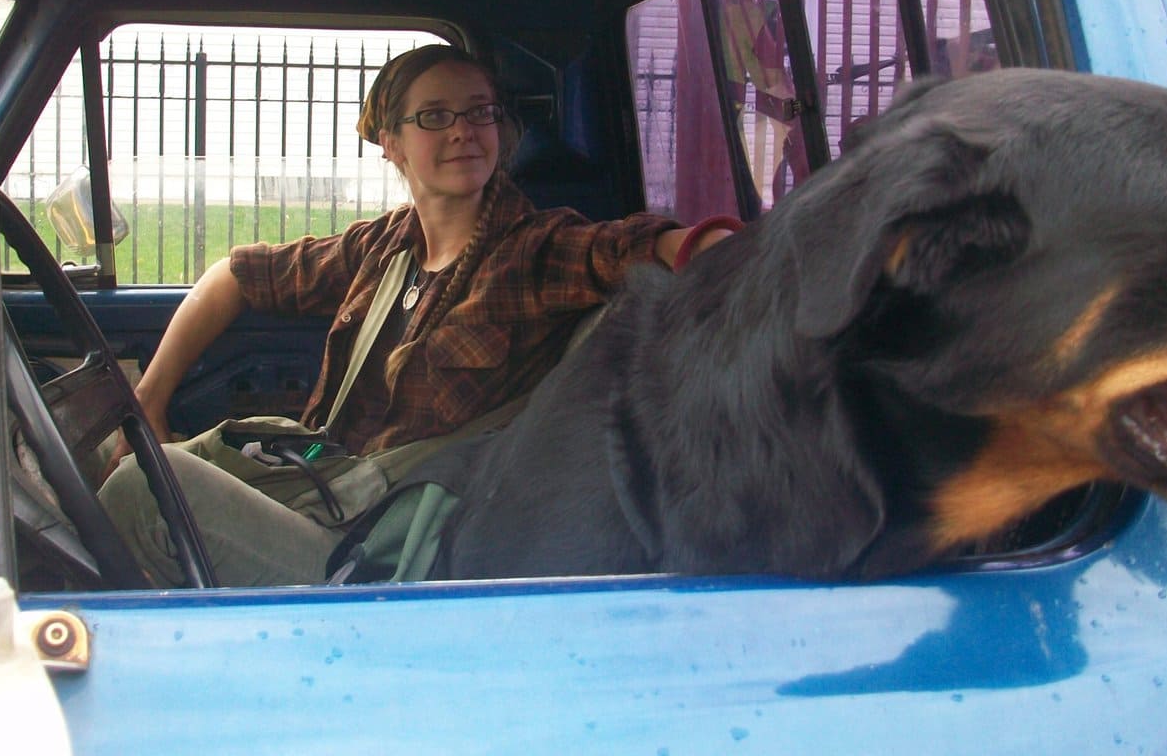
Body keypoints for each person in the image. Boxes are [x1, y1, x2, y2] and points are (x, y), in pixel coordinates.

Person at [99, 43, 736, 586]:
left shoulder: (537, 251)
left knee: (140, 489)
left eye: (479, 113)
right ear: (391, 144)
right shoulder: (382, 248)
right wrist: (150, 398)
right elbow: (234, 275)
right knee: (132, 459)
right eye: (434, 116)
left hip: (388, 558)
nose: (463, 130)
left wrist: (747, 252)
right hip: (323, 492)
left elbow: (653, 246)